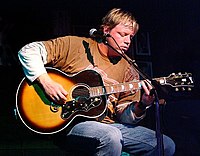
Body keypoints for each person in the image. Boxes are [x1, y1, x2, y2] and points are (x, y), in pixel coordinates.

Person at [18, 8, 175, 156]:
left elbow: (124, 118)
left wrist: (142, 105)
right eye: (122, 34)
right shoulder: (76, 46)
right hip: (71, 124)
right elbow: (28, 51)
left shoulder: (129, 69)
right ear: (106, 30)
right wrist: (46, 82)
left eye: (131, 37)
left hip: (111, 125)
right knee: (111, 136)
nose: (128, 41)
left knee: (166, 145)